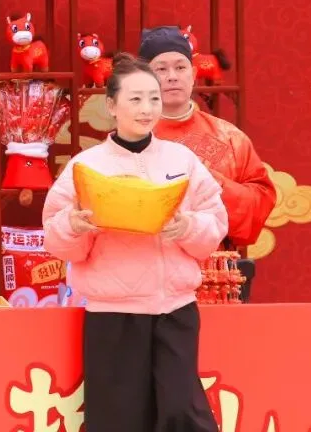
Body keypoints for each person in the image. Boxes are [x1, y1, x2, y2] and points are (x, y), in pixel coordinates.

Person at [42, 53, 226, 432]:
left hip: (175, 310)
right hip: (114, 316)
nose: (147, 109)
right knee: (119, 420)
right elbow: (57, 239)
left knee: (182, 414)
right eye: (136, 99)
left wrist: (186, 226)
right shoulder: (86, 167)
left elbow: (215, 222)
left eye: (154, 99)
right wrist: (75, 225)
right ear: (112, 106)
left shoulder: (182, 160)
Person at [138, 25, 275, 250]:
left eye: (180, 67)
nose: (172, 77)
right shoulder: (131, 138)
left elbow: (259, 206)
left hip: (214, 266)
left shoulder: (229, 137)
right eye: (161, 69)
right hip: (150, 260)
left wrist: (212, 183)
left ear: (193, 74)